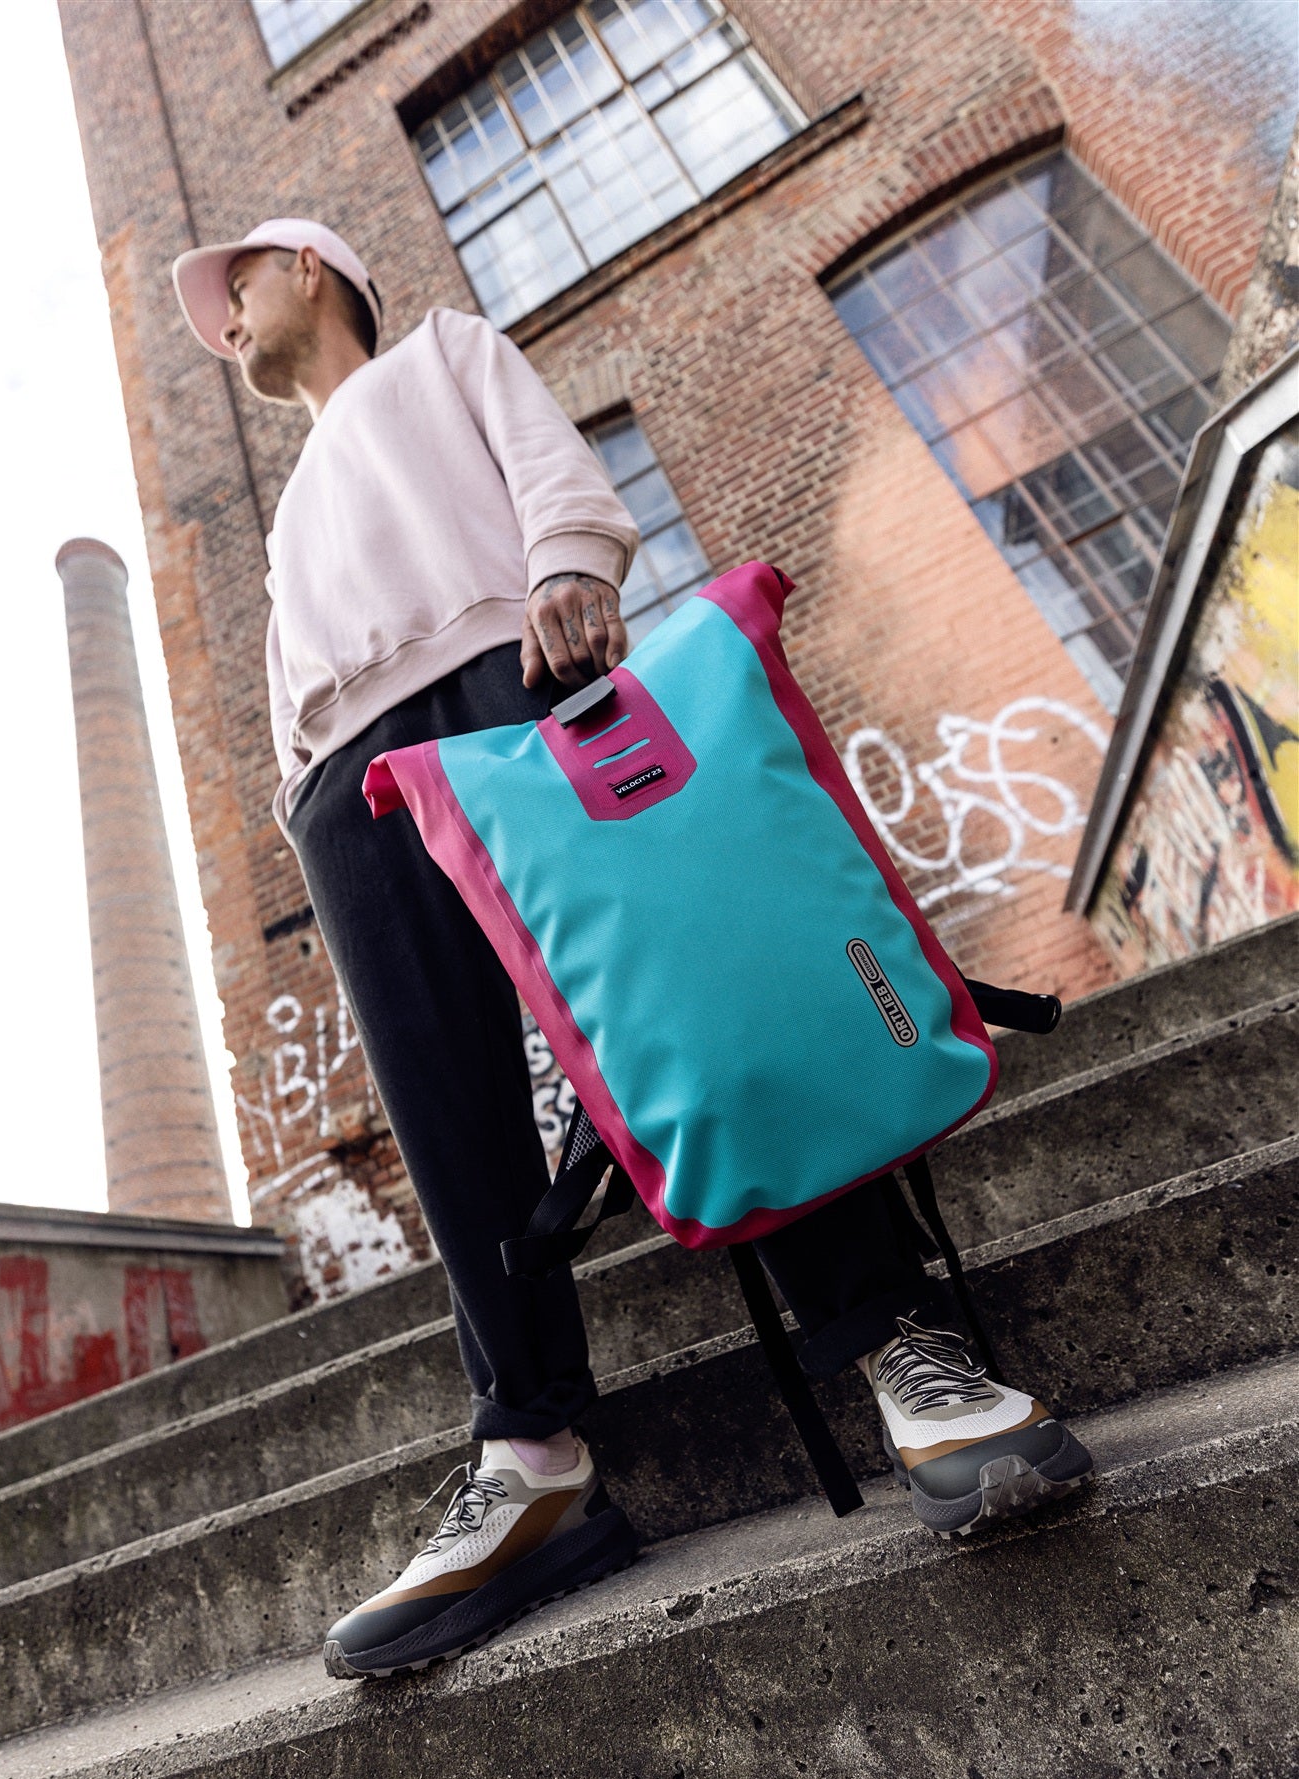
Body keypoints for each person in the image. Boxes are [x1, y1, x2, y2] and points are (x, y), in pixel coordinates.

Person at [171, 219, 1093, 1680]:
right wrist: (303, 792)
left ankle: (901, 1347)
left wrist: (568, 564)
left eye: (238, 283)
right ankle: (532, 1462)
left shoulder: (438, 351)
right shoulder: (285, 515)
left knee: (699, 1005)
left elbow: (546, 462)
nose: (223, 320)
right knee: (445, 1113)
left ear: (311, 271)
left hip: (503, 677)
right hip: (348, 783)